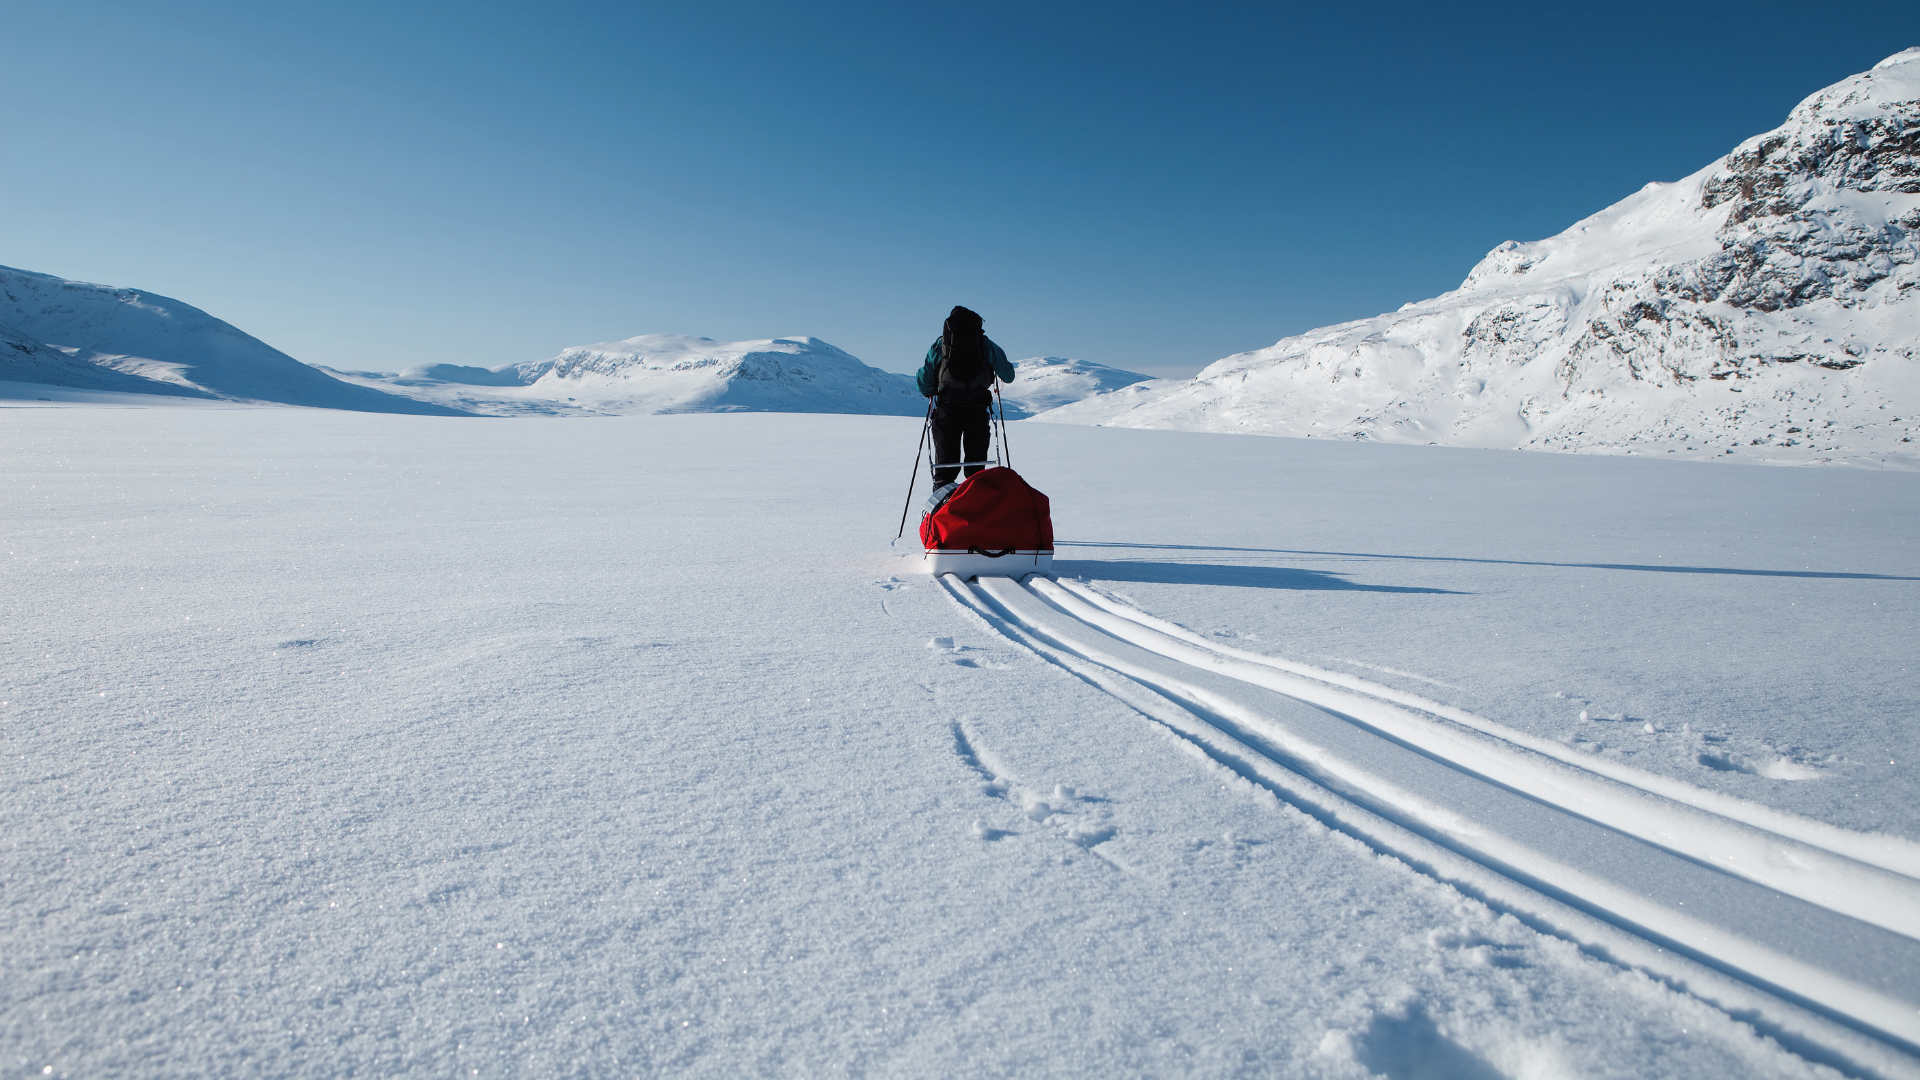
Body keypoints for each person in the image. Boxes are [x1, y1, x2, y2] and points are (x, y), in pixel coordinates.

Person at [914, 305, 1016, 487]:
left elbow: (925, 383)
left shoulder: (941, 346)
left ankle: (942, 510)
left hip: (947, 411)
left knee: (945, 472)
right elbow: (1008, 375)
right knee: (975, 471)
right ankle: (975, 509)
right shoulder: (984, 345)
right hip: (977, 411)